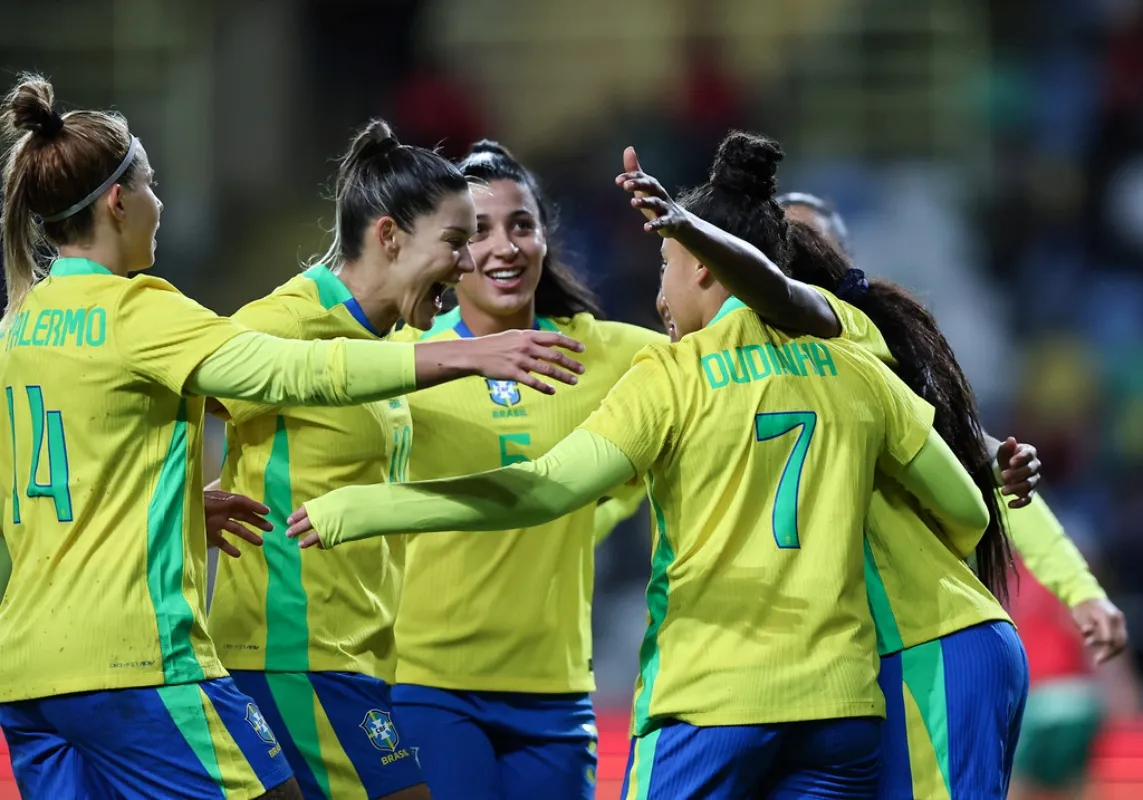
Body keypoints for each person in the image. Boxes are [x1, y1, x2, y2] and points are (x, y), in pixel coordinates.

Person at [284, 139, 994, 800]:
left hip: (699, 695)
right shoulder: (854, 363)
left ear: (702, 264)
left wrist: (363, 507)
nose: (659, 298)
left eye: (664, 266)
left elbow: (545, 488)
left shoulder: (659, 370)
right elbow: (965, 514)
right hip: (840, 701)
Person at [0, 75, 583, 800]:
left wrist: (173, 510)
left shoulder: (20, 325)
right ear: (118, 201)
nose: (161, 202)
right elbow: (291, 372)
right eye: (149, 184)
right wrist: (463, 353)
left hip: (29, 670)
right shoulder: (140, 312)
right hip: (147, 655)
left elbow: (51, 479)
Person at [615, 134, 1032, 798]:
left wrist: (686, 226)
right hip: (878, 659)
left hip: (922, 641)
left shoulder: (831, 329)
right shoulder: (783, 374)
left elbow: (782, 296)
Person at [209, 119, 525, 800]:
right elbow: (164, 413)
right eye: (455, 241)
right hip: (288, 654)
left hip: (357, 656)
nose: (467, 263)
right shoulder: (286, 322)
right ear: (389, 236)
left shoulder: (387, 342)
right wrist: (183, 503)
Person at [381, 140, 664, 800]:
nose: (504, 247)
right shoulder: (404, 358)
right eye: (478, 231)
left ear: (544, 237)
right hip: (428, 684)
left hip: (557, 692)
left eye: (521, 225)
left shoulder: (607, 354)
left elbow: (717, 361)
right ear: (450, 248)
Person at [775, 191, 1129, 667]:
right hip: (791, 645)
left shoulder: (883, 357)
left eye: (814, 247)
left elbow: (985, 469)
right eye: (785, 250)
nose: (800, 266)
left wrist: (1080, 589)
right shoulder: (724, 362)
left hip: (905, 640)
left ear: (846, 261)